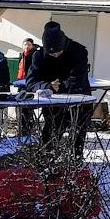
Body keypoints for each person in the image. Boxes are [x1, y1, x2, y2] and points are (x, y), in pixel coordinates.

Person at [25, 21, 92, 154]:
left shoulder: (78, 51)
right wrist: (47, 86)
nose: (56, 55)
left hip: (79, 100)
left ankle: (75, 164)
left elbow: (77, 79)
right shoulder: (38, 56)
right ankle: (46, 163)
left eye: (58, 52)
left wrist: (58, 87)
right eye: (52, 54)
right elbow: (31, 81)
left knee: (77, 137)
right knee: (50, 134)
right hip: (52, 104)